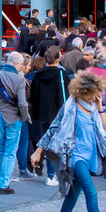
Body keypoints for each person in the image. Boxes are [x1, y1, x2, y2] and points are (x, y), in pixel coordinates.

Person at [30, 72, 106, 212]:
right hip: (75, 156)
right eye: (92, 93)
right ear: (82, 91)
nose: (95, 96)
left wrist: (100, 106)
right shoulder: (71, 107)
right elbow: (54, 128)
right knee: (90, 191)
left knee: (75, 191)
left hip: (90, 156)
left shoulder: (95, 108)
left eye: (97, 92)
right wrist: (38, 151)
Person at [28, 46, 71, 186]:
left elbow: (33, 94)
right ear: (57, 58)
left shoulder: (38, 74)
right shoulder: (61, 74)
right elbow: (67, 94)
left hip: (42, 112)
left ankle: (51, 174)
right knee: (57, 145)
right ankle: (54, 174)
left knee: (47, 142)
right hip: (58, 112)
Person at [0, 52, 29, 195]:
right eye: (21, 65)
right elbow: (22, 104)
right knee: (10, 152)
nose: (22, 68)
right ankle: (4, 184)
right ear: (16, 64)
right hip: (13, 118)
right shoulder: (19, 80)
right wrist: (24, 118)